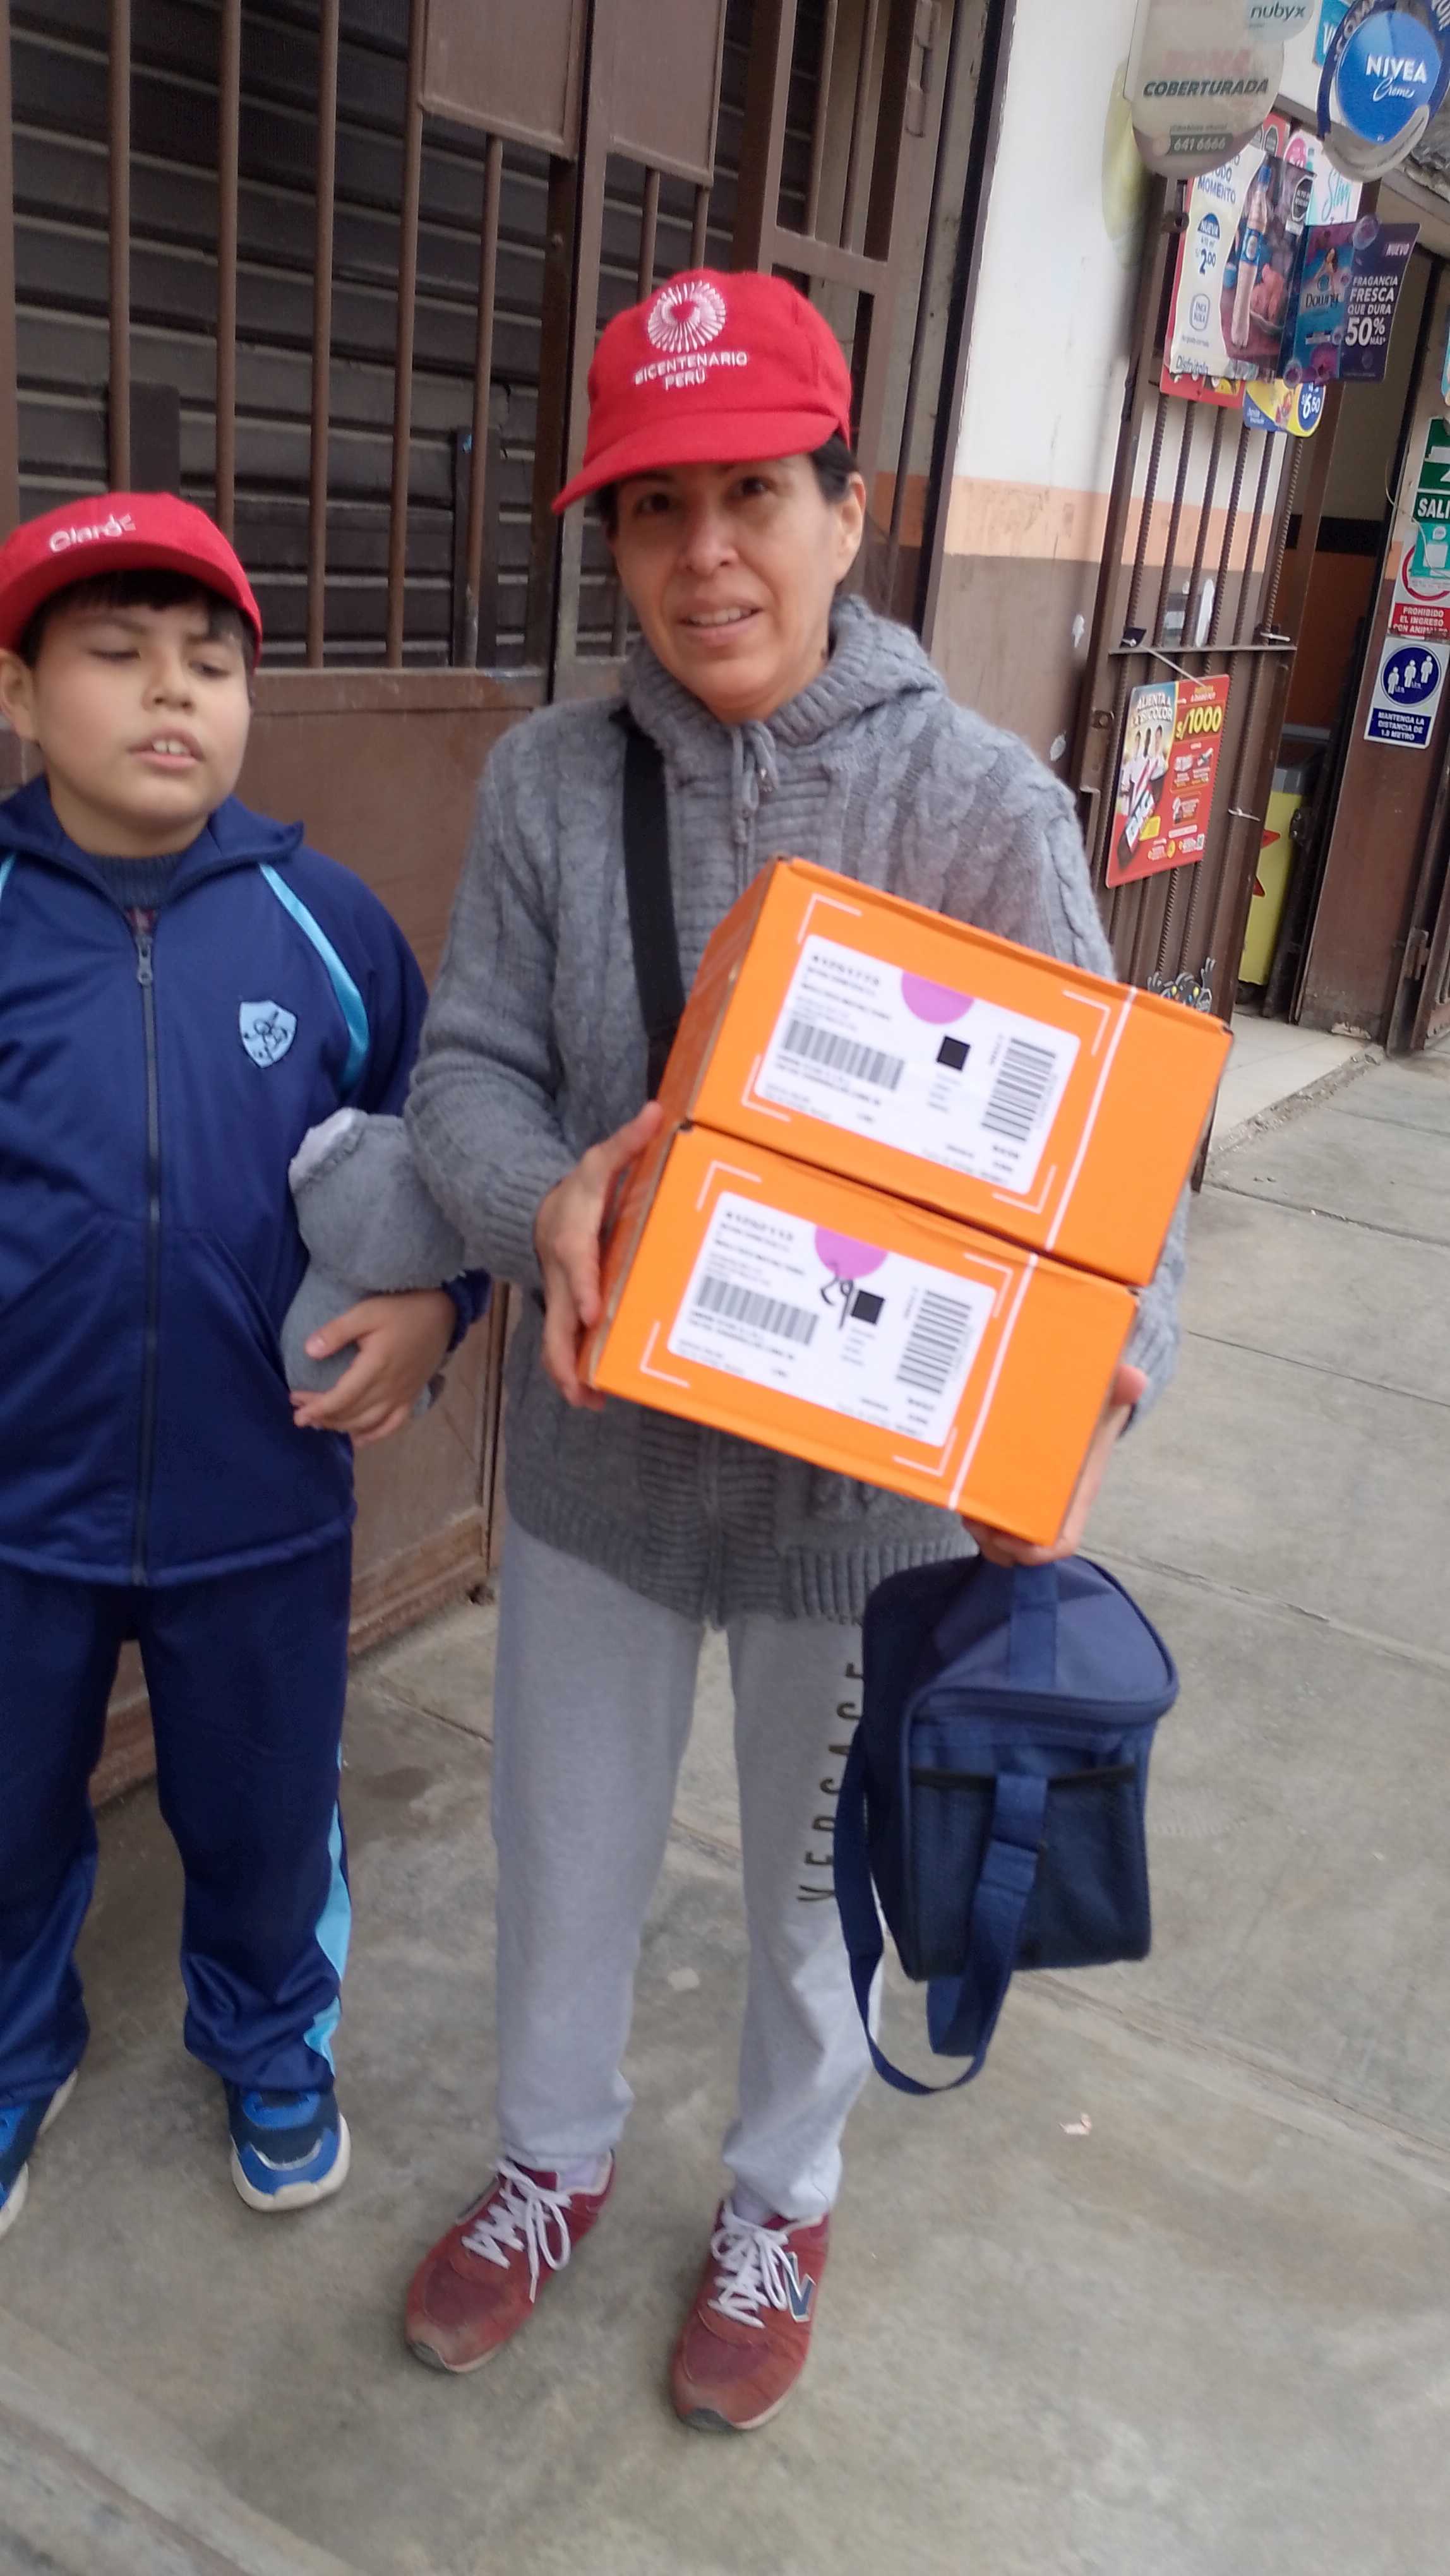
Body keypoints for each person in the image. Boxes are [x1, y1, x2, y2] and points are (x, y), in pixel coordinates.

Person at [401, 270, 1183, 2430]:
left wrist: (1100, 1384)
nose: (705, 555)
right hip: (600, 1476)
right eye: (653, 510)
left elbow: (1117, 1168)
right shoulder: (552, 784)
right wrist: (536, 1202)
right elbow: (467, 1068)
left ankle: (783, 2192)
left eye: (753, 494)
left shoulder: (985, 807)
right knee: (564, 1854)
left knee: (819, 1888)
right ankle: (550, 2163)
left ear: (853, 510)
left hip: (867, 1509)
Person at [0, 493, 487, 2237]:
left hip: (263, 1498)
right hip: (16, 1513)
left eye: (210, 664)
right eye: (117, 654)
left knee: (267, 1812)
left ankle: (273, 2042)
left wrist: (444, 1309)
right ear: (17, 691)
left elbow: (447, 1158)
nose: (171, 692)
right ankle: (13, 2055)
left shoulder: (325, 925)